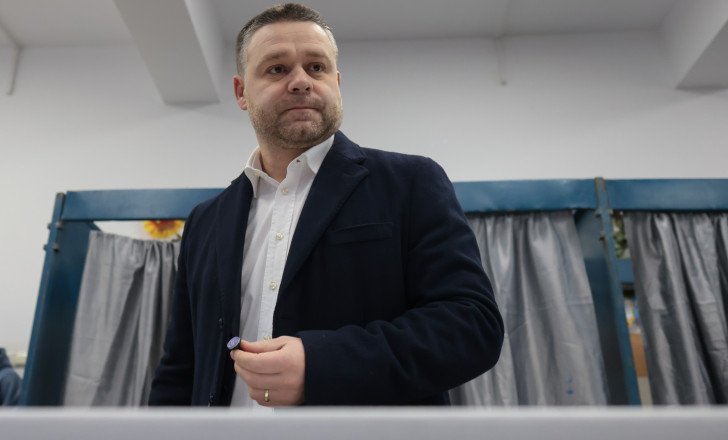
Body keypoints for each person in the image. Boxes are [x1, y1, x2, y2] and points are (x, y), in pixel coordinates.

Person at [148, 3, 503, 407]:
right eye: (277, 69)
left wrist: (321, 363)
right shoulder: (205, 221)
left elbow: (472, 326)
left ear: (336, 81)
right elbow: (180, 370)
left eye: (316, 67)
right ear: (241, 92)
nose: (301, 81)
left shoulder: (411, 182)